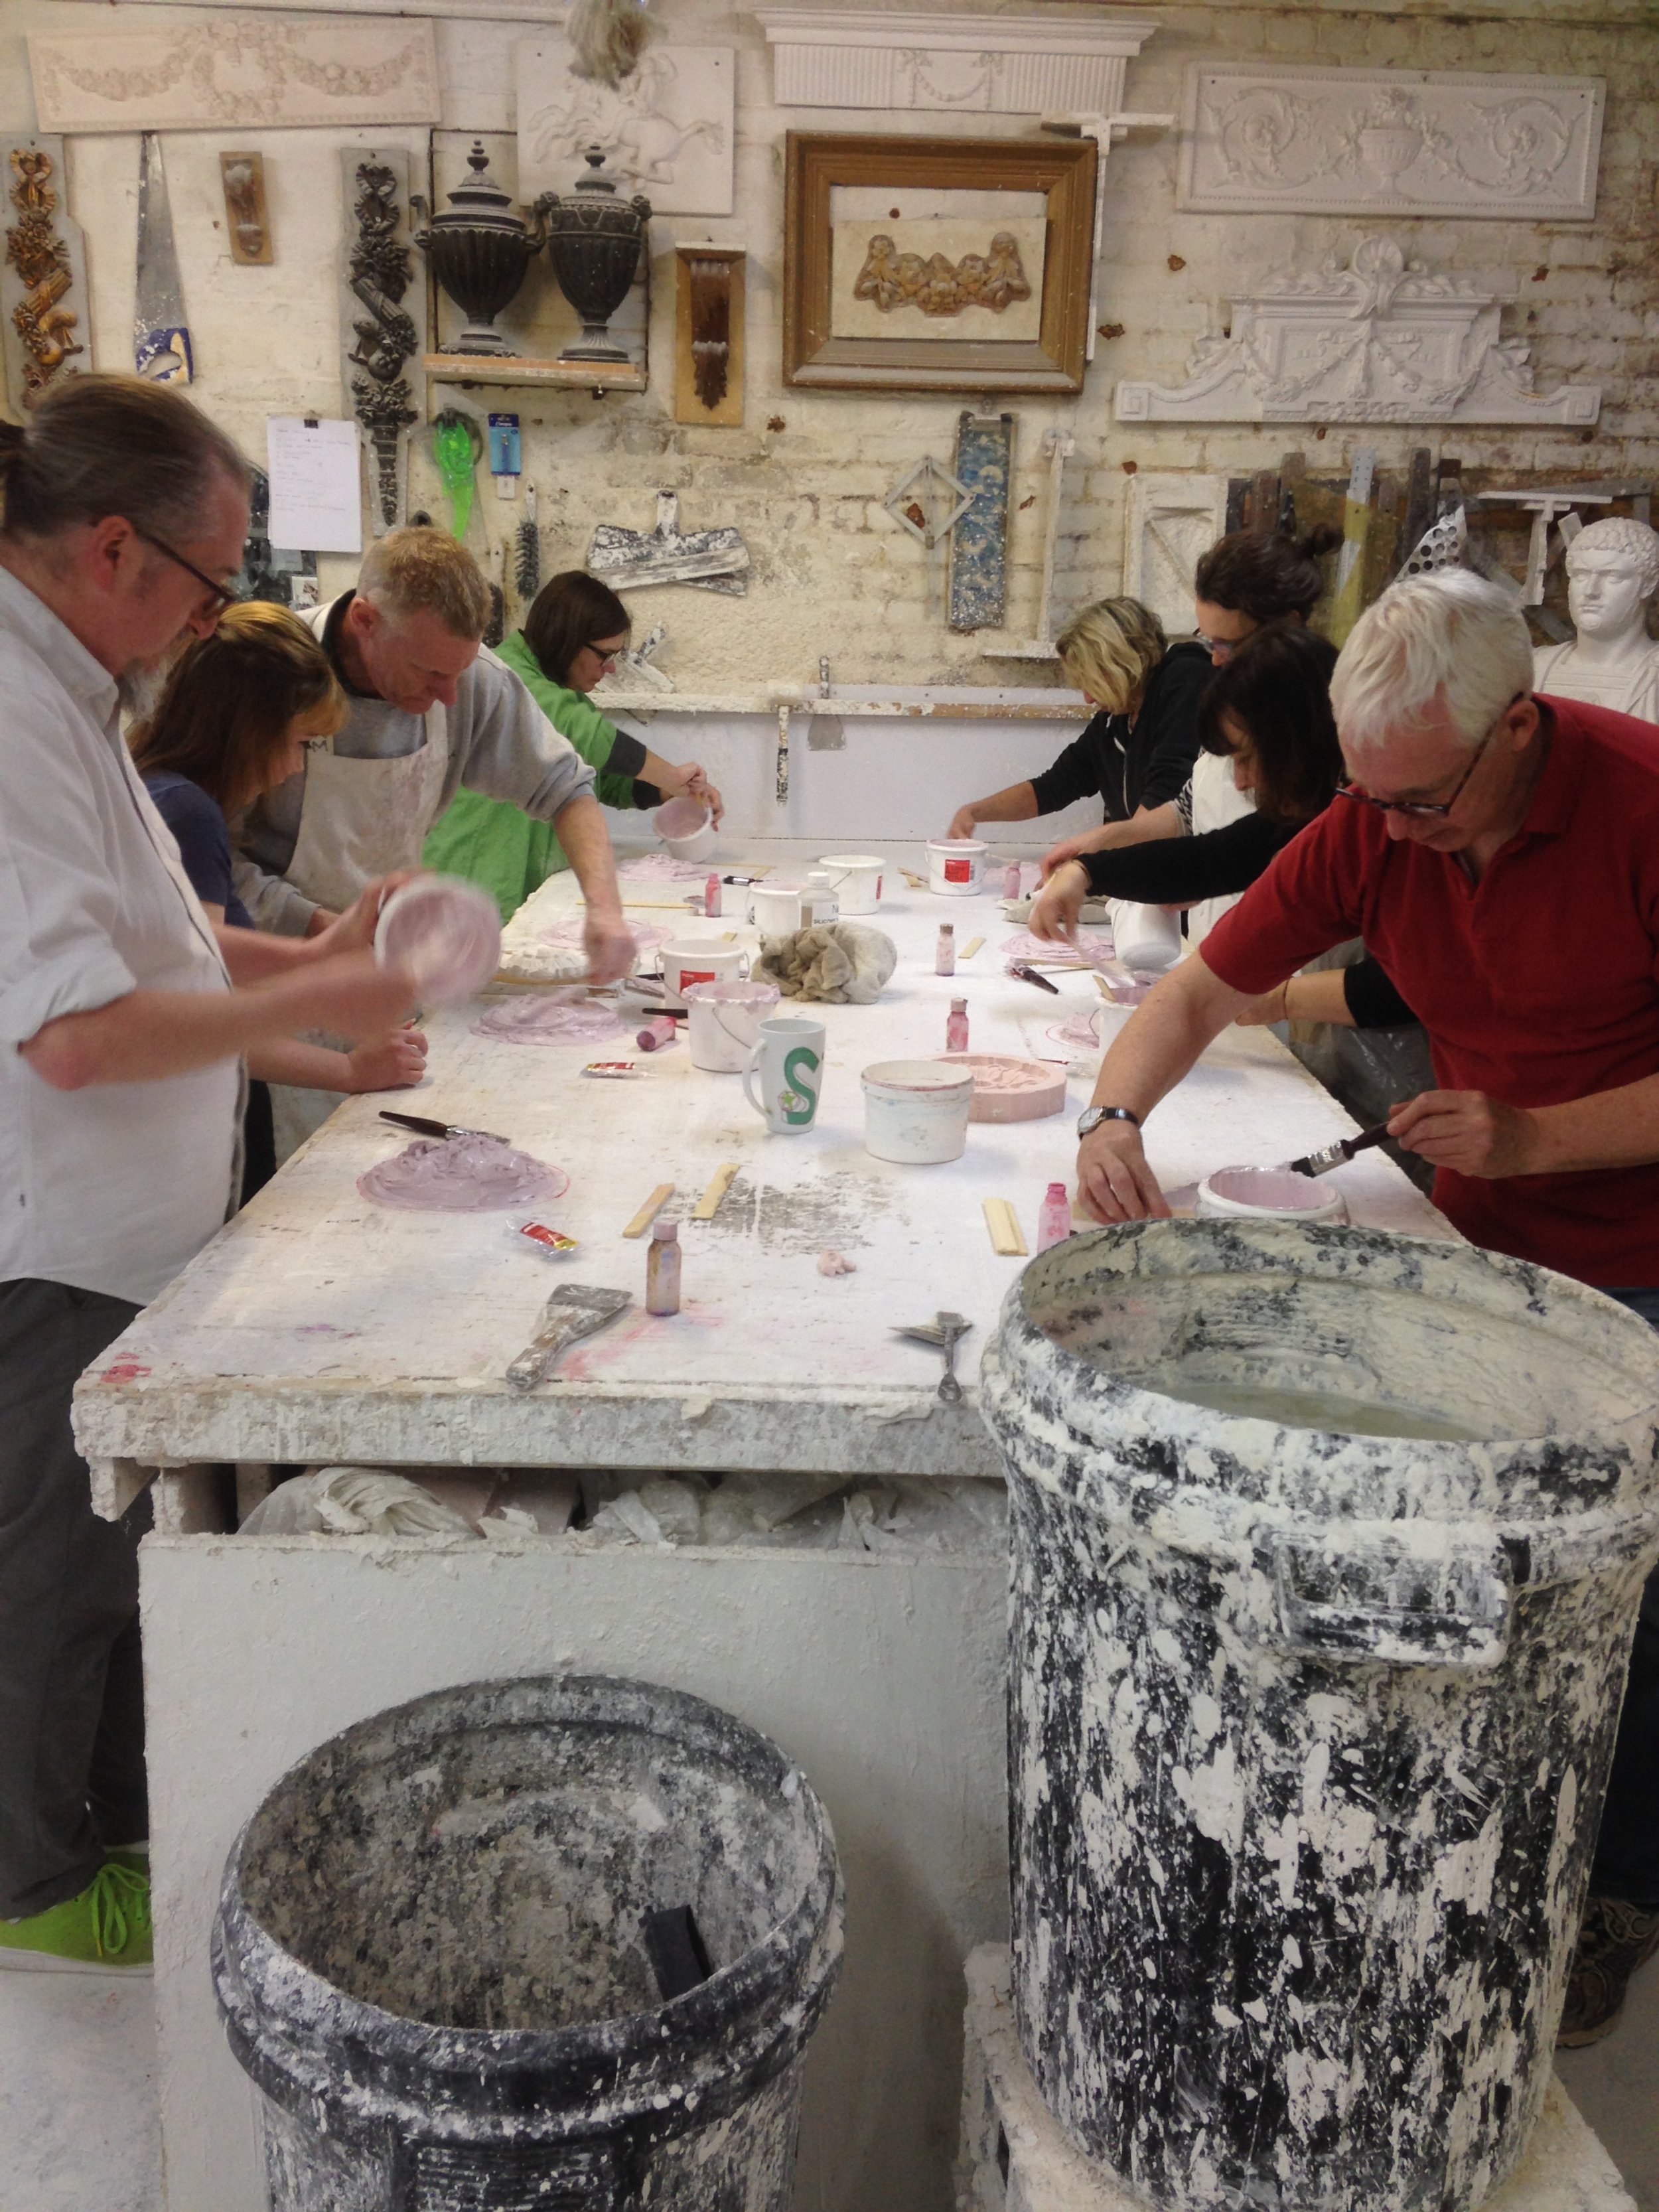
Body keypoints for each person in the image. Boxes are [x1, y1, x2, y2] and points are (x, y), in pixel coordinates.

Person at [1068, 569, 1659, 2043]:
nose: (1390, 834)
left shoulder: (1643, 804)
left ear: (1517, 727)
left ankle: (1619, 1897)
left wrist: (1535, 1135)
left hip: (1639, 1243)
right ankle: (1465, 1835)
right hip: (1485, 1239)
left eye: (1420, 804)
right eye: (1371, 804)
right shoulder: (1375, 819)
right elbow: (1199, 994)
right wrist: (1109, 1119)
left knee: (1636, 1583)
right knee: (1465, 1547)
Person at [0, 375, 420, 1974]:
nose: (216, 612)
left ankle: (101, 1821)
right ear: (114, 548)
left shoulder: (72, 684)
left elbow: (160, 941)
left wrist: (306, 950)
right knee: (45, 1572)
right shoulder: (11, 702)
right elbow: (73, 1037)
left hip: (122, 1236)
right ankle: (28, 1884)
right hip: (52, 1236)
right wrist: (322, 1000)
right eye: (207, 576)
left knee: (103, 1567)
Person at [234, 526, 634, 1149]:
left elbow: (567, 788)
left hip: (386, 990)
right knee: (293, 1195)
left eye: (459, 672)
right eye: (428, 672)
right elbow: (207, 862)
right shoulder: (268, 670)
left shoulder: (467, 678)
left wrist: (604, 910)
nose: (448, 696)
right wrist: (333, 934)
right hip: (272, 1001)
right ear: (365, 620)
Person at [131, 602, 429, 1202]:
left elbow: (205, 967)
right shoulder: (187, 816)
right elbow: (204, 1024)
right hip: (168, 1159)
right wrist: (349, 1070)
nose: (294, 767)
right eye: (300, 743)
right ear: (247, 730)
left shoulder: (159, 791)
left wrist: (327, 948)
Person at [1039, 524, 1339, 882]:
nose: (1214, 660)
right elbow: (1185, 814)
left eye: (1228, 644)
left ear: (1288, 626)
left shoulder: (1326, 733)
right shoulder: (1234, 711)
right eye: (1210, 641)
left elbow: (1241, 857)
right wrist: (1096, 849)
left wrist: (1097, 869)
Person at [422, 571, 723, 921]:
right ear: (567, 640)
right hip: (472, 878)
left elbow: (599, 777)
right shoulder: (510, 678)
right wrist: (671, 775)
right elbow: (590, 737)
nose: (609, 670)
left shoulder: (564, 692)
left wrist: (672, 793)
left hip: (518, 884)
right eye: (604, 656)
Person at [1029, 625, 1340, 948]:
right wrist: (1087, 870)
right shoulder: (1287, 816)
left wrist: (1280, 1000)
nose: (1239, 781)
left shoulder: (1351, 819)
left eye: (1246, 758)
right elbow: (1209, 858)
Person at [945, 598, 1210, 844]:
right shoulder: (1112, 722)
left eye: (1092, 682)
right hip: (1153, 866)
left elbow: (1167, 792)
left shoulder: (1184, 680)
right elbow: (1055, 785)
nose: (1087, 698)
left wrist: (1095, 863)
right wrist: (974, 812)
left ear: (1119, 666)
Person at [1532, 515, 1659, 724]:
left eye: (1613, 577)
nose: (1591, 591)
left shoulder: (1653, 675)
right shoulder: (1533, 667)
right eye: (1581, 575)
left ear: (1648, 584)